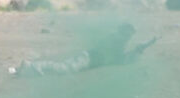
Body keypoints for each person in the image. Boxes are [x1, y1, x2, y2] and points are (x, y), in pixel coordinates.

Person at [12, 23, 157, 77]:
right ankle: (30, 65)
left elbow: (132, 53)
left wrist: (147, 44)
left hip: (89, 60)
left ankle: (27, 69)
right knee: (65, 68)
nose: (129, 37)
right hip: (87, 59)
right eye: (128, 33)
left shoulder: (119, 45)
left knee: (63, 69)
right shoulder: (116, 39)